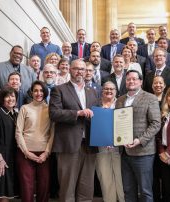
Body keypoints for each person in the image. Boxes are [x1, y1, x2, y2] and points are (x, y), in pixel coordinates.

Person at [49, 59, 99, 202]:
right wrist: (78, 113)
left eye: (82, 69)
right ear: (70, 70)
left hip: (89, 144)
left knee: (86, 188)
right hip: (68, 145)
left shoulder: (92, 92)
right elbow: (54, 113)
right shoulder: (59, 89)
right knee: (67, 188)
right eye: (76, 68)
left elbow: (97, 116)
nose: (80, 72)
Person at [116, 70, 161, 202]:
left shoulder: (150, 98)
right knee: (128, 189)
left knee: (145, 191)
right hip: (124, 152)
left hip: (143, 152)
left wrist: (140, 140)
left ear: (140, 82)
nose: (131, 81)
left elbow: (156, 124)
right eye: (129, 79)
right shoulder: (120, 100)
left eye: (134, 79)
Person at [15, 81, 54, 202]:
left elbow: (53, 133)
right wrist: (26, 152)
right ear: (31, 93)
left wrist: (46, 153)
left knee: (44, 186)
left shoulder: (50, 109)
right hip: (25, 153)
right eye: (36, 90)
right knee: (27, 188)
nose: (39, 93)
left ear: (45, 92)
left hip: (44, 154)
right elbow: (18, 132)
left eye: (41, 90)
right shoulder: (24, 108)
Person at [95, 81, 125, 202]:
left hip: (119, 147)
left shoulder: (121, 104)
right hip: (100, 147)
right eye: (106, 89)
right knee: (105, 176)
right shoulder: (95, 105)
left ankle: (122, 200)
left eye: (111, 89)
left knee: (120, 176)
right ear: (102, 91)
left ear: (116, 91)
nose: (109, 91)